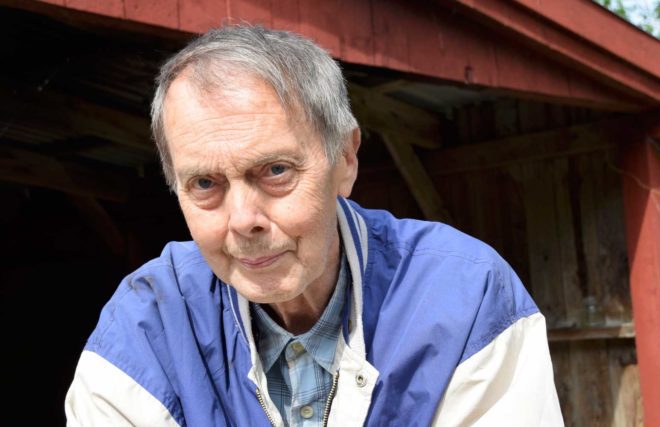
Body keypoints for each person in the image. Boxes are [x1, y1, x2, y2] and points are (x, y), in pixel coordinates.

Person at [65, 25, 563, 426]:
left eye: (275, 170)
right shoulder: (146, 326)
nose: (243, 221)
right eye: (204, 183)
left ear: (345, 158)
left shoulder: (465, 297)